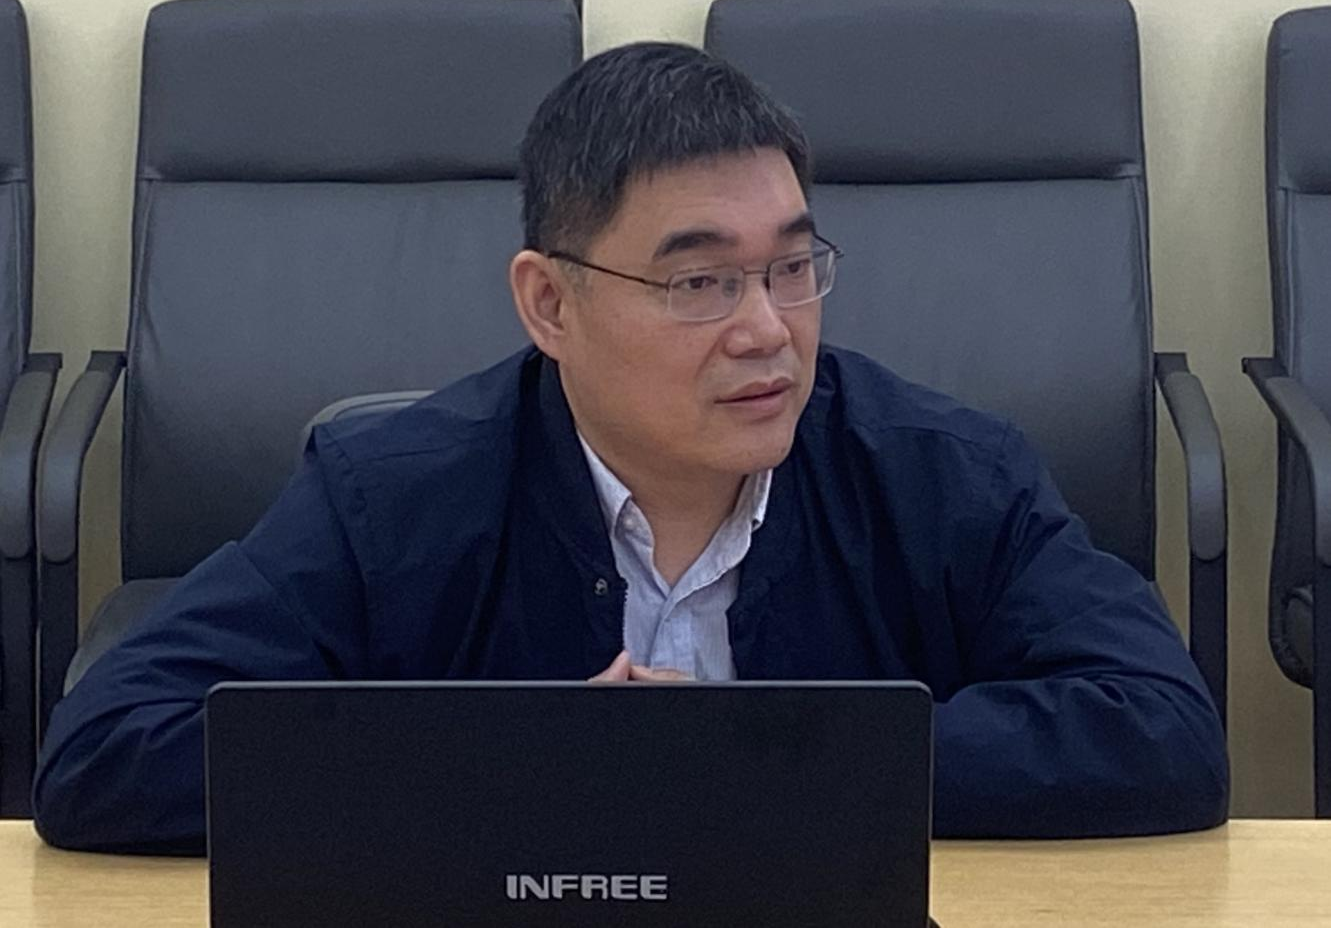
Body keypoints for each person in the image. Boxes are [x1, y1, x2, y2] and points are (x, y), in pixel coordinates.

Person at [33, 42, 1228, 855]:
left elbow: (1161, 729)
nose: (767, 328)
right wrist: (526, 763)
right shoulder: (392, 497)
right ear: (549, 303)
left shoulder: (939, 472)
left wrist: (748, 749)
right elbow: (102, 752)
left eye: (791, 266)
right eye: (699, 281)